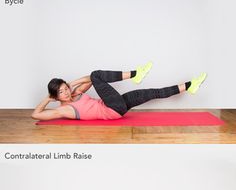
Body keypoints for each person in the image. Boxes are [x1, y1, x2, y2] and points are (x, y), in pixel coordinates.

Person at [32, 65, 207, 123]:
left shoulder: (75, 93)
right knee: (96, 73)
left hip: (117, 107)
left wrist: (72, 83)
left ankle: (190, 86)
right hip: (112, 108)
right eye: (61, 92)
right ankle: (134, 74)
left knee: (153, 92)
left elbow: (91, 80)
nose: (66, 92)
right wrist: (48, 98)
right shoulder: (64, 110)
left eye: (65, 88)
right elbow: (36, 115)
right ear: (56, 97)